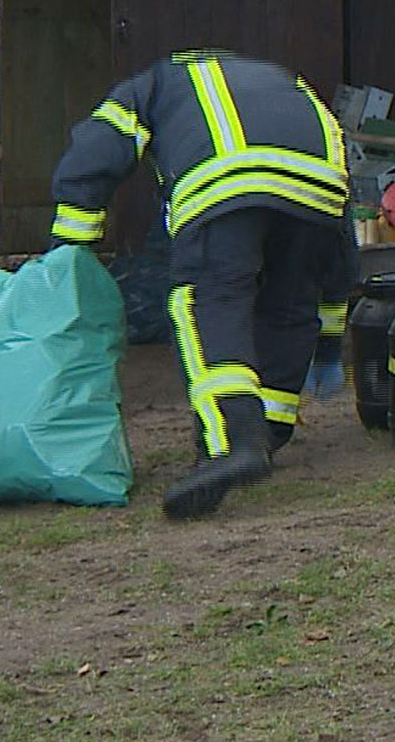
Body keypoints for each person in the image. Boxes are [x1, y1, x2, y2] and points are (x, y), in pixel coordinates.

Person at [50, 48, 357, 520]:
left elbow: (100, 145)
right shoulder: (287, 83)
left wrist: (72, 244)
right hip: (321, 188)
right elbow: (339, 252)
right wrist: (330, 345)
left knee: (211, 298)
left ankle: (234, 441)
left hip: (226, 179)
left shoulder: (156, 83)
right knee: (289, 304)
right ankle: (269, 432)